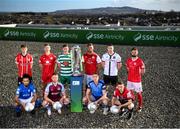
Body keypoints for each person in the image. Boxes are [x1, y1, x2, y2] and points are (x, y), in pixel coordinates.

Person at [126, 47, 145, 112]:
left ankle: (140, 106)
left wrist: (139, 74)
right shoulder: (128, 60)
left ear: (137, 53)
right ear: (131, 52)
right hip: (129, 80)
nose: (134, 53)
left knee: (139, 93)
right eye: (133, 52)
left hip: (137, 81)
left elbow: (143, 70)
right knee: (129, 93)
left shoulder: (140, 61)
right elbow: (128, 69)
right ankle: (131, 104)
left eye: (135, 52)